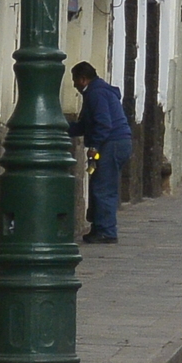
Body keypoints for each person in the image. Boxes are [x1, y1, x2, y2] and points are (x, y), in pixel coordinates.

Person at [69, 62, 134, 245]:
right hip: (116, 143)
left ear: (83, 79)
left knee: (103, 187)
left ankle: (106, 231)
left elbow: (103, 123)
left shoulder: (95, 94)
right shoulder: (100, 91)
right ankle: (99, 227)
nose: (74, 85)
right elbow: (86, 125)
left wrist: (94, 146)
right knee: (99, 183)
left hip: (111, 144)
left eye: (75, 80)